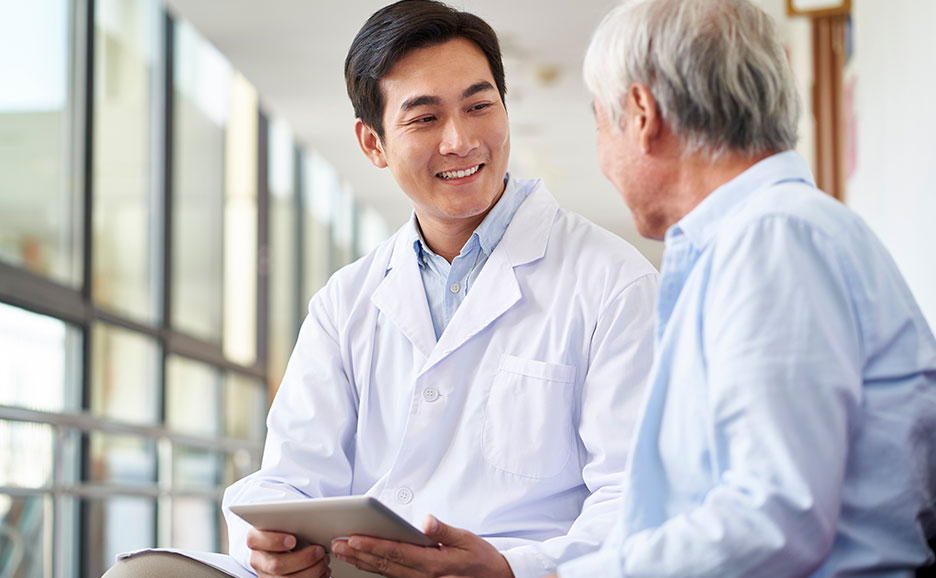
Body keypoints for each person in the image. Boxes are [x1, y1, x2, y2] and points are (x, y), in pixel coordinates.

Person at [104, 1, 658, 577]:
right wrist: (267, 545)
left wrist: (513, 568)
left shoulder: (613, 282)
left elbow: (637, 496)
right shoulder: (345, 301)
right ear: (373, 143)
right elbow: (290, 476)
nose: (461, 140)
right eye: (425, 118)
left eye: (479, 106)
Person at [551, 0, 936, 576]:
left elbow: (774, 519)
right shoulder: (766, 237)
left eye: (600, 122)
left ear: (641, 113)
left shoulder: (773, 239)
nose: (602, 152)